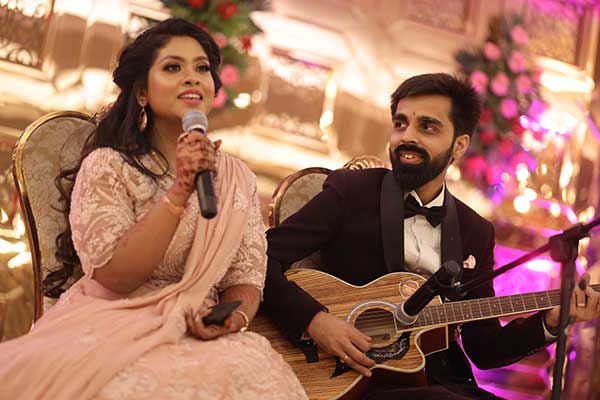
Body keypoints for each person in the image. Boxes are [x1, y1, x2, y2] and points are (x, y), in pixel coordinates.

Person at [0, 18, 307, 400]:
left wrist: (233, 317)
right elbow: (117, 277)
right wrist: (181, 189)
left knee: (251, 370)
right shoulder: (109, 166)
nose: (192, 77)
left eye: (201, 68)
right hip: (114, 321)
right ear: (142, 91)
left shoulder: (236, 177)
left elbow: (244, 279)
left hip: (200, 331)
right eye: (173, 67)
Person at [263, 73, 600, 399]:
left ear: (459, 145)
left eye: (427, 126)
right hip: (353, 377)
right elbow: (259, 258)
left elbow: (484, 348)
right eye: (400, 123)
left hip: (439, 383)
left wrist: (552, 320)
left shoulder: (475, 231)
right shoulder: (351, 191)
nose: (407, 136)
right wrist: (314, 320)